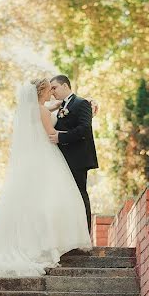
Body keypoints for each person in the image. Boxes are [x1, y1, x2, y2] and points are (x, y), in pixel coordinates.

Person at [0, 79, 92, 277]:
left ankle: (37, 240)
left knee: (35, 200)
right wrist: (60, 133)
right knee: (56, 198)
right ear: (42, 91)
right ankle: (48, 242)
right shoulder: (41, 110)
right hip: (47, 155)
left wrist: (56, 106)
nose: (52, 94)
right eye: (50, 90)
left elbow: (46, 110)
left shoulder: (32, 109)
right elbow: (51, 133)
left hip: (35, 158)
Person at [48, 75, 99, 232]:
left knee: (80, 194)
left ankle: (85, 235)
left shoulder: (81, 103)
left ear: (65, 86)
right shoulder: (61, 107)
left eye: (54, 88)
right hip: (64, 159)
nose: (52, 92)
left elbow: (84, 129)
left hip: (77, 159)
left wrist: (60, 137)